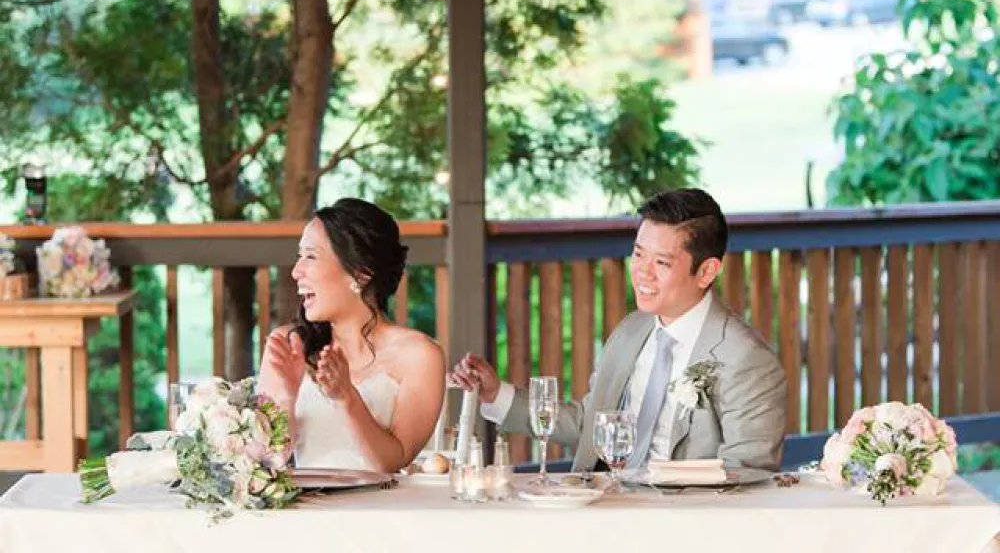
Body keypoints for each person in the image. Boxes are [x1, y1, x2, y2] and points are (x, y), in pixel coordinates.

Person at [451, 188, 787, 471]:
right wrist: (496, 394)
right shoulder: (632, 330)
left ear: (706, 271)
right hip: (602, 504)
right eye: (638, 255)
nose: (642, 272)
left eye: (662, 262)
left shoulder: (746, 359)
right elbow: (590, 423)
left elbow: (746, 476)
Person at [258, 198, 445, 473]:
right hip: (302, 512)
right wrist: (287, 395)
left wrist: (347, 397)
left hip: (382, 512)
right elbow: (266, 461)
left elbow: (393, 461)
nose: (297, 272)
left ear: (360, 273)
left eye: (310, 256)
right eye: (299, 257)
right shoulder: (289, 345)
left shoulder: (420, 355)